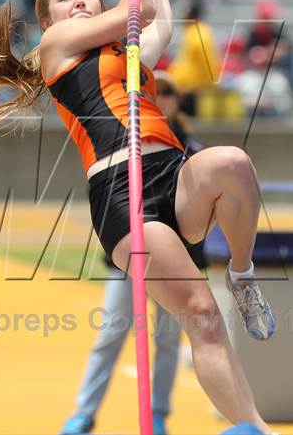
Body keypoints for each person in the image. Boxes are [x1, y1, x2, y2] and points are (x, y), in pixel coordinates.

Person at [0, 0, 278, 433]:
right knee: (201, 314)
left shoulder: (124, 55)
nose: (80, 2)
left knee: (232, 162)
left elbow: (161, 26)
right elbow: (140, 10)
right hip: (121, 193)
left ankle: (242, 273)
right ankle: (254, 426)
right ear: (49, 20)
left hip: (174, 174)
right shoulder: (58, 46)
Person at [60, 71, 207, 435]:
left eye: (168, 90)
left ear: (177, 99)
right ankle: (84, 413)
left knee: (169, 340)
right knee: (110, 333)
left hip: (176, 261)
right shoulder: (123, 136)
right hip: (128, 262)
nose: (159, 95)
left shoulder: (193, 151)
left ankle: (157, 414)